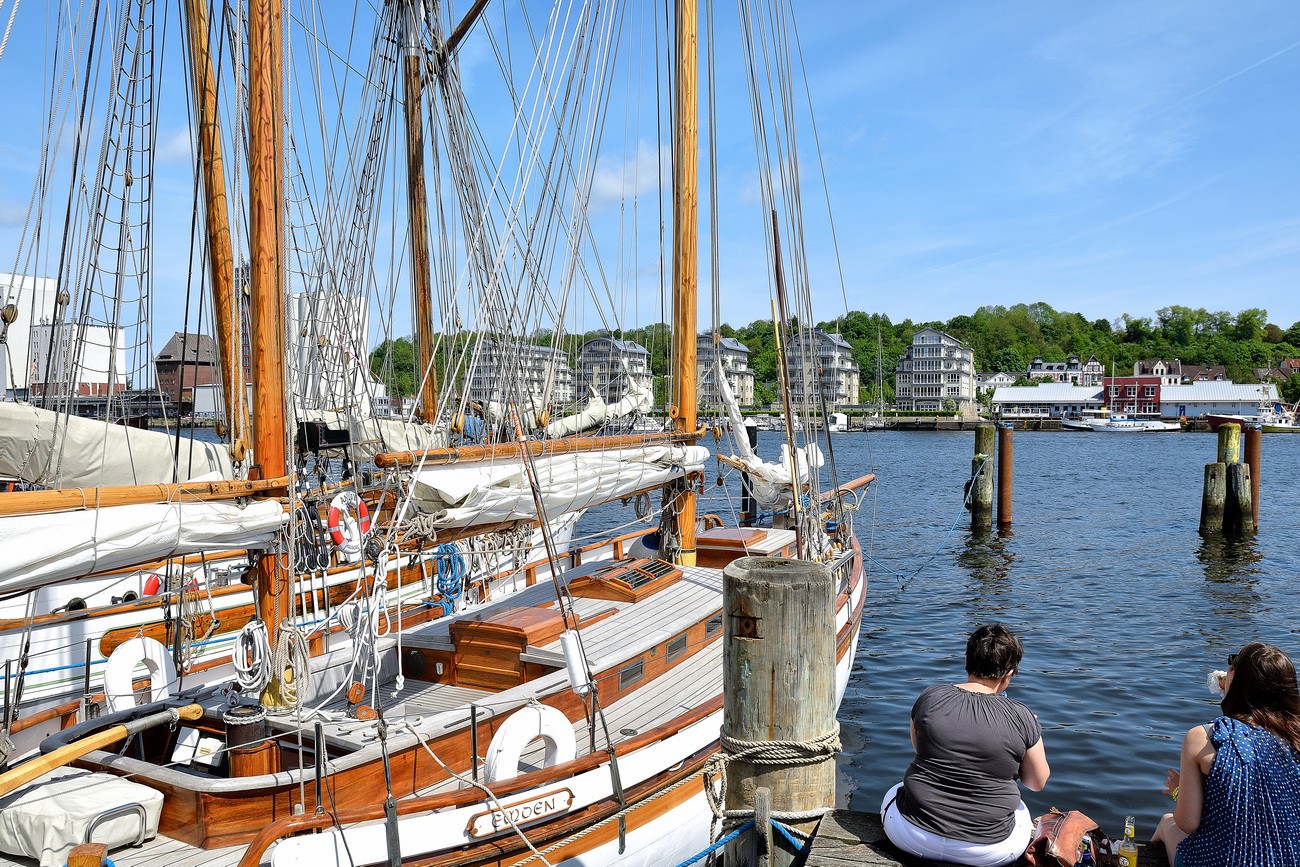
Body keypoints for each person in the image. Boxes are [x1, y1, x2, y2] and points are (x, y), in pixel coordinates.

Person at [881, 623, 1050, 866]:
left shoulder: (930, 697)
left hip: (913, 836)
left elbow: (920, 749)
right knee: (1021, 808)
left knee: (897, 789)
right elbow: (1036, 783)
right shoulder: (1022, 715)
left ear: (967, 660)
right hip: (989, 851)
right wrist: (1029, 731)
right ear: (1009, 673)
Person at [1151, 642, 1300, 867]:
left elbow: (1187, 823)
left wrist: (1178, 791)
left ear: (1234, 678)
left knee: (1167, 822)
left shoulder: (1203, 738)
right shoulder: (1295, 738)